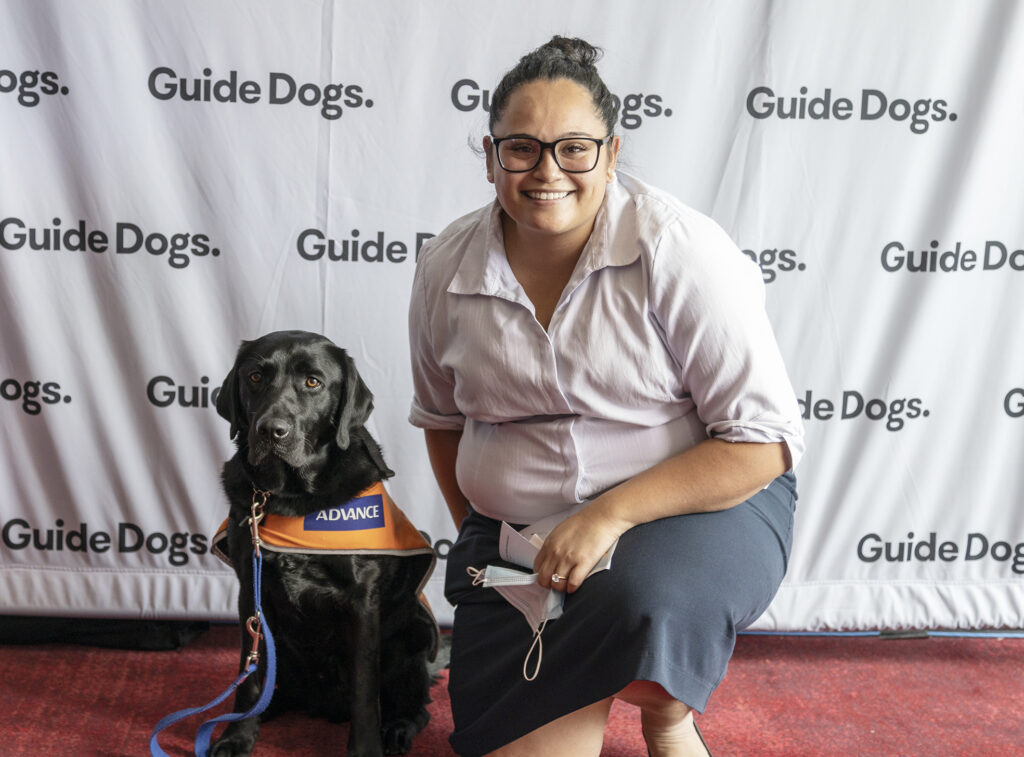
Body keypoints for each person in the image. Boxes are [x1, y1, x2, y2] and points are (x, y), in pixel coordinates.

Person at [407, 36, 804, 757]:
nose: (547, 170)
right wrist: (496, 538)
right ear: (491, 157)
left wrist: (606, 516)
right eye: (521, 148)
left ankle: (665, 710)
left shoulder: (679, 247)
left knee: (638, 601)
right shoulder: (444, 265)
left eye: (575, 148)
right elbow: (442, 422)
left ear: (612, 154)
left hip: (694, 518)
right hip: (529, 541)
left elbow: (763, 443)